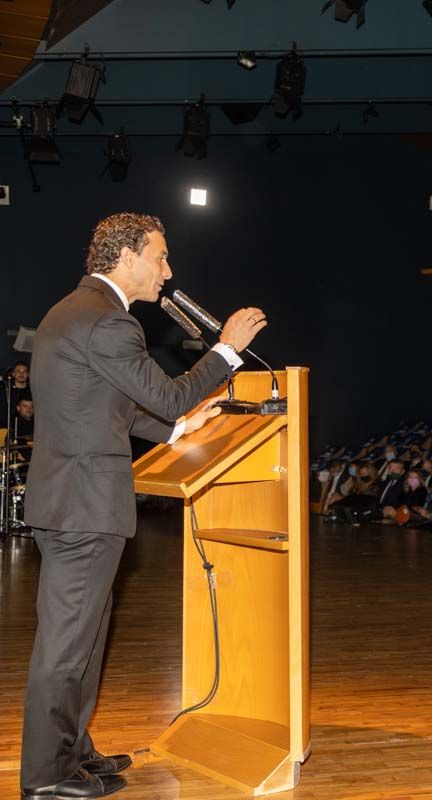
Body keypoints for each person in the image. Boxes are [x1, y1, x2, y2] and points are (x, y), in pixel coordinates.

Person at [21, 213, 266, 800]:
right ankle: (44, 778)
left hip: (70, 503)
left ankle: (72, 753)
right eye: (160, 257)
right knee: (64, 649)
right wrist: (227, 351)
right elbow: (168, 390)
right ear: (126, 256)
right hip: (83, 509)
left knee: (84, 640)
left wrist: (178, 430)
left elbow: (112, 406)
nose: (168, 270)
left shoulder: (74, 312)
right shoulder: (108, 322)